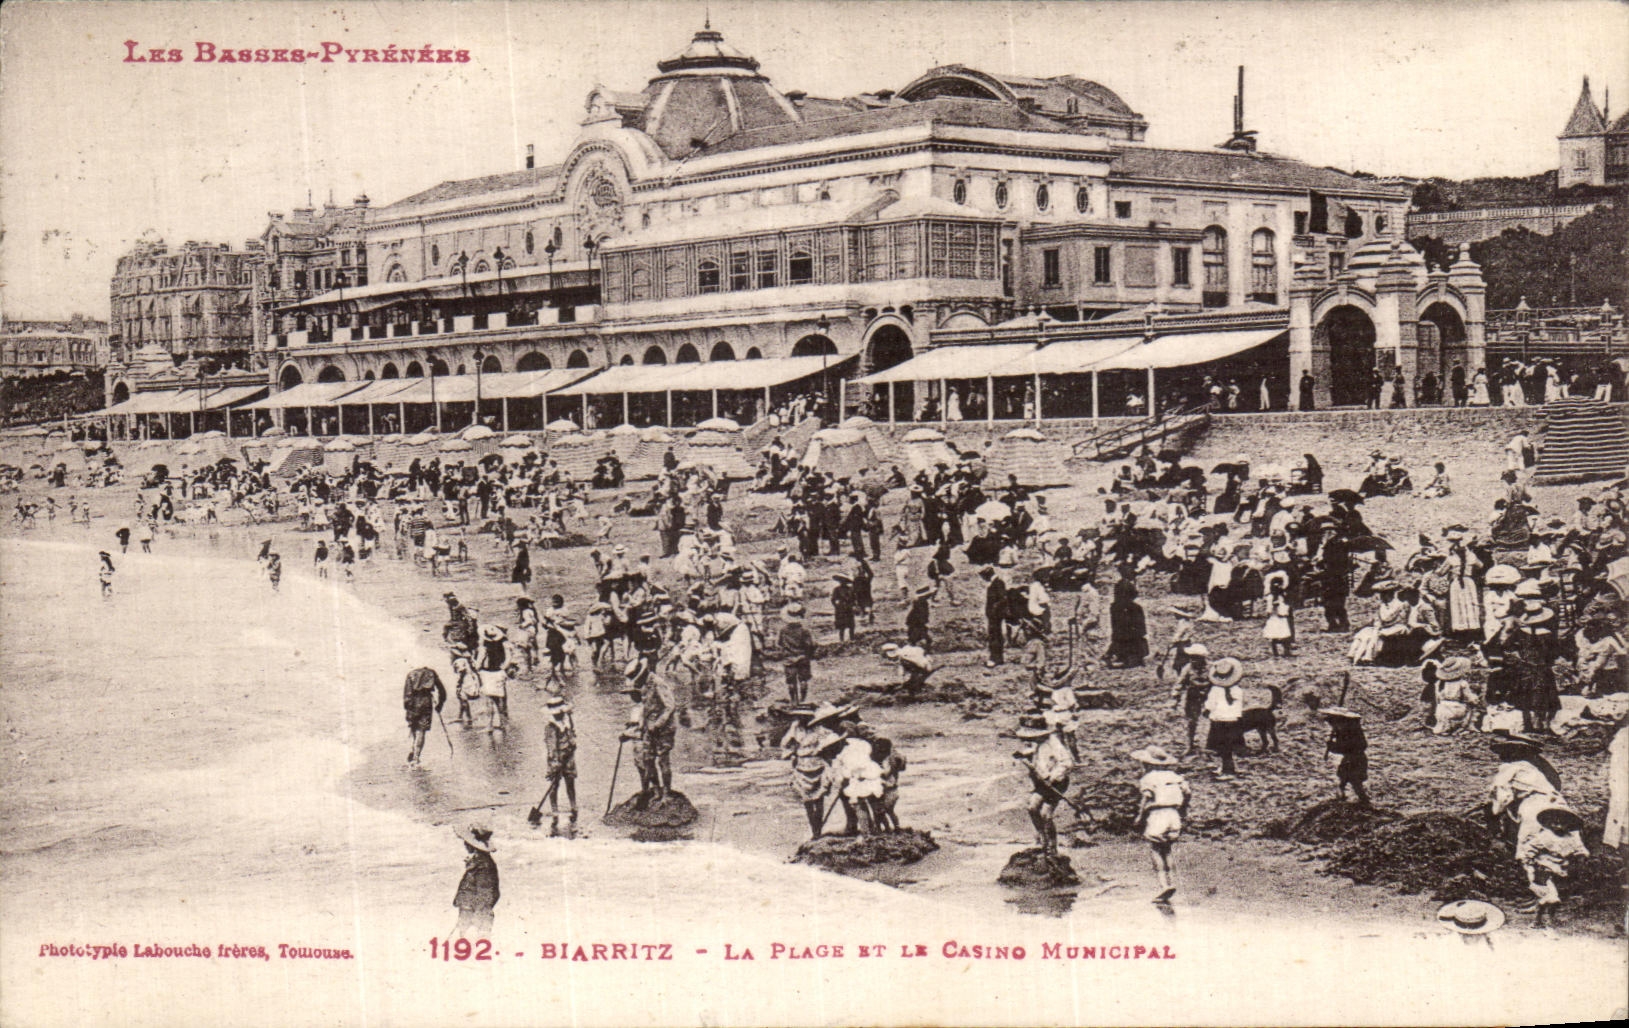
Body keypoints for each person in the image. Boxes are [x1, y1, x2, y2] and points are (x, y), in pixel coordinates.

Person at [1132, 745, 1189, 903]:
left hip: (1158, 815)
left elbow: (1146, 797)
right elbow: (1187, 792)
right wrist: (1183, 809)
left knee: (1156, 850)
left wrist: (1139, 816)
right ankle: (1172, 882)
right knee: (1167, 850)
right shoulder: (1175, 776)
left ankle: (1163, 885)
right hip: (1174, 815)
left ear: (1148, 764)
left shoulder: (1148, 778)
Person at [1016, 721, 1073, 862]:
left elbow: (1067, 763)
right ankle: (1042, 837)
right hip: (1042, 782)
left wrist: (1053, 777)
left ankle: (1052, 847)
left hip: (1057, 783)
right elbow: (1034, 758)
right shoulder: (1036, 744)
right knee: (1032, 807)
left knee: (1046, 814)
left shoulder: (1054, 744)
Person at [782, 704, 840, 838]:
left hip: (817, 764)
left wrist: (822, 749)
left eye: (805, 716)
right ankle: (814, 830)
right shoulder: (795, 730)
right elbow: (785, 744)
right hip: (802, 765)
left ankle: (818, 830)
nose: (802, 719)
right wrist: (792, 734)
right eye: (799, 716)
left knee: (819, 798)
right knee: (806, 800)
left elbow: (831, 741)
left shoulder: (819, 730)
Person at [451, 824, 499, 938]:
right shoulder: (479, 862)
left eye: (467, 842)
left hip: (475, 919)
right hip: (469, 915)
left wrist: (476, 923)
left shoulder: (484, 865)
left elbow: (485, 896)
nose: (465, 844)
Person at [1203, 658, 1246, 778]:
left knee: (1223, 748)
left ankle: (1227, 771)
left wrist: (1207, 710)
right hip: (1234, 722)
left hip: (1219, 723)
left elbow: (1210, 705)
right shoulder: (1238, 690)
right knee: (1231, 746)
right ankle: (1230, 767)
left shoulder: (1215, 690)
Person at [539, 694, 578, 824]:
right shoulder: (550, 727)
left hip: (568, 755)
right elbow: (551, 747)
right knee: (554, 784)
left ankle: (573, 806)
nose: (561, 715)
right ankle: (554, 810)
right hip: (557, 758)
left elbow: (572, 734)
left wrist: (572, 744)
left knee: (570, 781)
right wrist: (555, 762)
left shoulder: (566, 721)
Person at [1321, 707, 1369, 804]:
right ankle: (1342, 796)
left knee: (1354, 781)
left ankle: (1364, 800)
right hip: (1349, 759)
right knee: (1344, 778)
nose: (1332, 725)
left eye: (1333, 723)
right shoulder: (1343, 730)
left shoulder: (1351, 731)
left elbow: (1347, 748)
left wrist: (1332, 746)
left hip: (1356, 759)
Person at [402, 666, 447, 768]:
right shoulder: (431, 673)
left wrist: (408, 708)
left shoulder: (411, 674)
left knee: (414, 727)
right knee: (421, 730)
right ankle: (416, 757)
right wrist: (440, 704)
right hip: (426, 702)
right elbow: (442, 691)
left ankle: (414, 750)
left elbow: (407, 695)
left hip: (413, 702)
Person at [1104, 577, 1148, 668]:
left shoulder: (1114, 607)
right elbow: (1141, 626)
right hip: (1131, 637)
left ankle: (1119, 657)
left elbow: (1115, 624)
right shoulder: (1136, 607)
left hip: (1121, 636)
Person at [777, 603, 816, 704]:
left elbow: (780, 643)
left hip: (789, 659)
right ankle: (803, 700)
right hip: (802, 657)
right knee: (803, 680)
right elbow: (810, 645)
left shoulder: (783, 630)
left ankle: (794, 700)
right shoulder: (804, 630)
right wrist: (810, 654)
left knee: (790, 681)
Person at [477, 624, 509, 731]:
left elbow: (480, 659)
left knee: (489, 700)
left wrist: (476, 667)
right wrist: (504, 667)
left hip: (487, 673)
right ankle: (503, 722)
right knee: (500, 698)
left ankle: (489, 725)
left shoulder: (484, 645)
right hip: (499, 672)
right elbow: (508, 657)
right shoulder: (504, 642)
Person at [1263, 570, 1294, 657]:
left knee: (1283, 635)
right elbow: (1269, 609)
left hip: (1279, 618)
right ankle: (1277, 652)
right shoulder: (1272, 597)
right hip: (1276, 618)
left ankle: (1285, 651)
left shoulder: (1282, 596)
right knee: (1276, 635)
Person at [981, 565, 1008, 668]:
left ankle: (995, 658)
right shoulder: (996, 583)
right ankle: (998, 658)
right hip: (995, 615)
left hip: (995, 615)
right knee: (996, 635)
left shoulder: (997, 583)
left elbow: (1003, 598)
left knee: (994, 636)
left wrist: (994, 608)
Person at [830, 571, 856, 643]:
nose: (842, 582)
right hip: (841, 610)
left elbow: (854, 598)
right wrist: (837, 606)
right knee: (842, 626)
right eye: (841, 581)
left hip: (849, 609)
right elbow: (833, 600)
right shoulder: (837, 589)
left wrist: (853, 605)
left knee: (851, 625)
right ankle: (841, 640)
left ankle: (852, 639)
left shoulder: (850, 589)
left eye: (844, 581)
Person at [906, 584, 933, 650]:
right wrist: (923, 621)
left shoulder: (919, 601)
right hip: (917, 623)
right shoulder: (922, 602)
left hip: (915, 622)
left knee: (915, 636)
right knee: (918, 637)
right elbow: (921, 613)